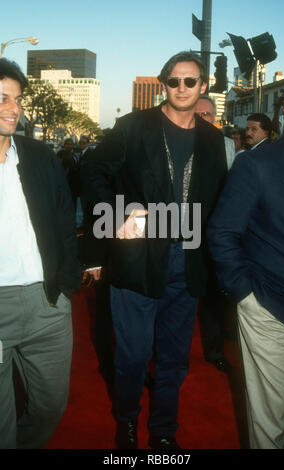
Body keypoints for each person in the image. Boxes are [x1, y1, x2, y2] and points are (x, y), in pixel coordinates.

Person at [82, 51, 227, 449]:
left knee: (175, 360)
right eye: (174, 81)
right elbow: (91, 171)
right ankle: (127, 422)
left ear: (203, 87)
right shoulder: (133, 127)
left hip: (189, 260)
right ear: (163, 84)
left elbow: (217, 200)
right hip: (137, 260)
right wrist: (116, 215)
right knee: (131, 356)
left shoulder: (215, 140)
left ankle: (164, 432)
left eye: (190, 81)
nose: (182, 88)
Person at [207, 84, 284, 449]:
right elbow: (222, 232)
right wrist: (246, 296)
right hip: (270, 306)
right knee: (273, 421)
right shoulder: (256, 164)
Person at [0, 58, 81, 449]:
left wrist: (65, 283)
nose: (13, 108)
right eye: (2, 98)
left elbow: (66, 219)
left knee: (51, 407)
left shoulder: (39, 156)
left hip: (46, 303)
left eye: (17, 99)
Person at [194, 94, 234, 372]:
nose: (201, 119)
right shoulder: (171, 141)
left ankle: (214, 349)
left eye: (206, 114)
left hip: (212, 230)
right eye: (197, 114)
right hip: (177, 227)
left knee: (212, 294)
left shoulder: (228, 145)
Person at [194, 95, 235, 169]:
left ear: (214, 117)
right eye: (195, 114)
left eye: (205, 114)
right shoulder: (179, 142)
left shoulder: (228, 144)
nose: (200, 117)